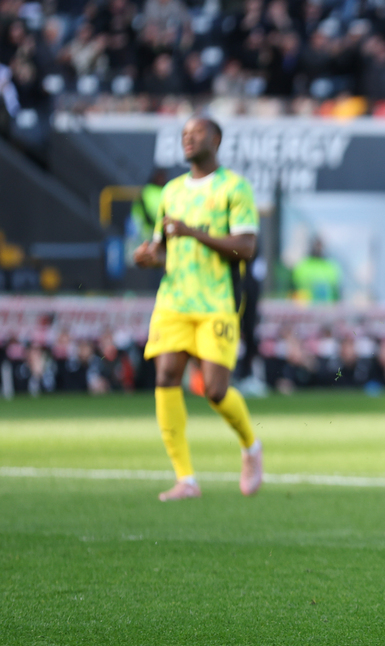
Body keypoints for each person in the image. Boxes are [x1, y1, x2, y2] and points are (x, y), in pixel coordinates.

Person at [133, 117, 264, 502]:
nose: (188, 139)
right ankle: (185, 479)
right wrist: (149, 256)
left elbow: (246, 247)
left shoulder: (234, 187)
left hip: (216, 300)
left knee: (215, 390)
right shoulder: (170, 191)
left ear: (216, 139)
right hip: (173, 299)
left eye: (197, 133)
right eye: (184, 135)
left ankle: (250, 446)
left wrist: (193, 232)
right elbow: (163, 247)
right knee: (166, 375)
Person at [292, 237, 342, 303]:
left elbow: (336, 292)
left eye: (320, 246)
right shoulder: (302, 266)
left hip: (326, 309)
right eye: (316, 245)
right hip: (306, 310)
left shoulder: (330, 267)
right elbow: (295, 289)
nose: (318, 248)